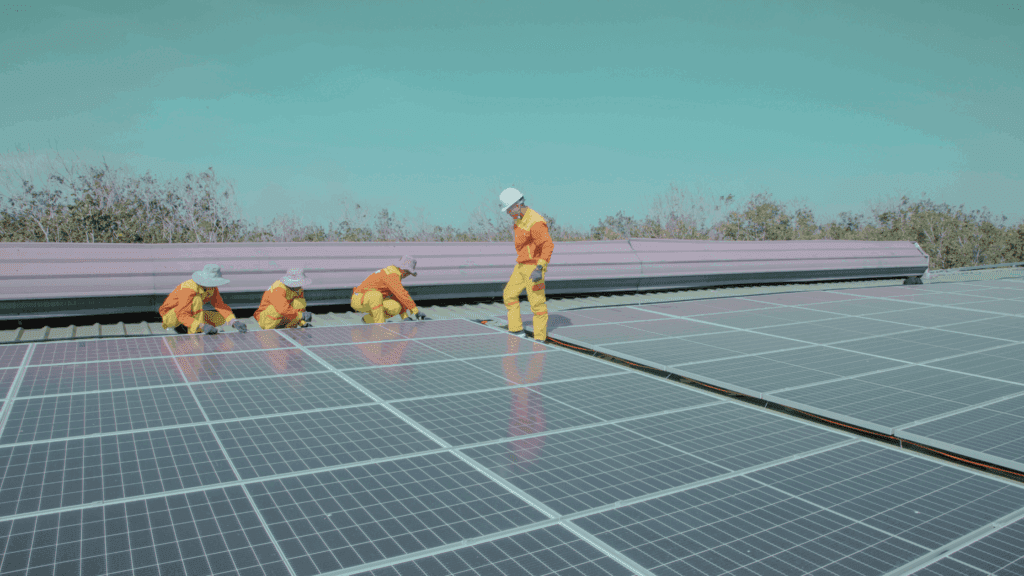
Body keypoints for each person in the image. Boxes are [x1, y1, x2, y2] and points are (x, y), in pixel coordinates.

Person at [499, 187, 553, 342]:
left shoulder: (535, 221)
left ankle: (540, 339)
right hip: (522, 265)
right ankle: (516, 330)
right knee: (509, 295)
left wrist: (540, 268)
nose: (508, 213)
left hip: (534, 267)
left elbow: (547, 246)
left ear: (517, 205)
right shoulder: (519, 219)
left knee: (537, 304)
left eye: (509, 209)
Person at [159, 263, 248, 335]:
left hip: (189, 314)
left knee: (220, 318)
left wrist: (234, 321)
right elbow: (181, 314)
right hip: (172, 317)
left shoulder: (212, 288)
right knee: (196, 300)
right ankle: (193, 332)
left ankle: (189, 326)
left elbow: (220, 305)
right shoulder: (188, 288)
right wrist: (202, 326)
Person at [350, 255, 430, 324]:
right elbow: (402, 294)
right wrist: (416, 312)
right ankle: (380, 326)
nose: (408, 275)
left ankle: (368, 319)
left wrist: (405, 317)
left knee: (395, 307)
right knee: (376, 295)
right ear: (404, 270)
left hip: (369, 300)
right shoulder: (391, 275)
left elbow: (397, 297)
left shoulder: (394, 273)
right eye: (409, 273)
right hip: (359, 299)